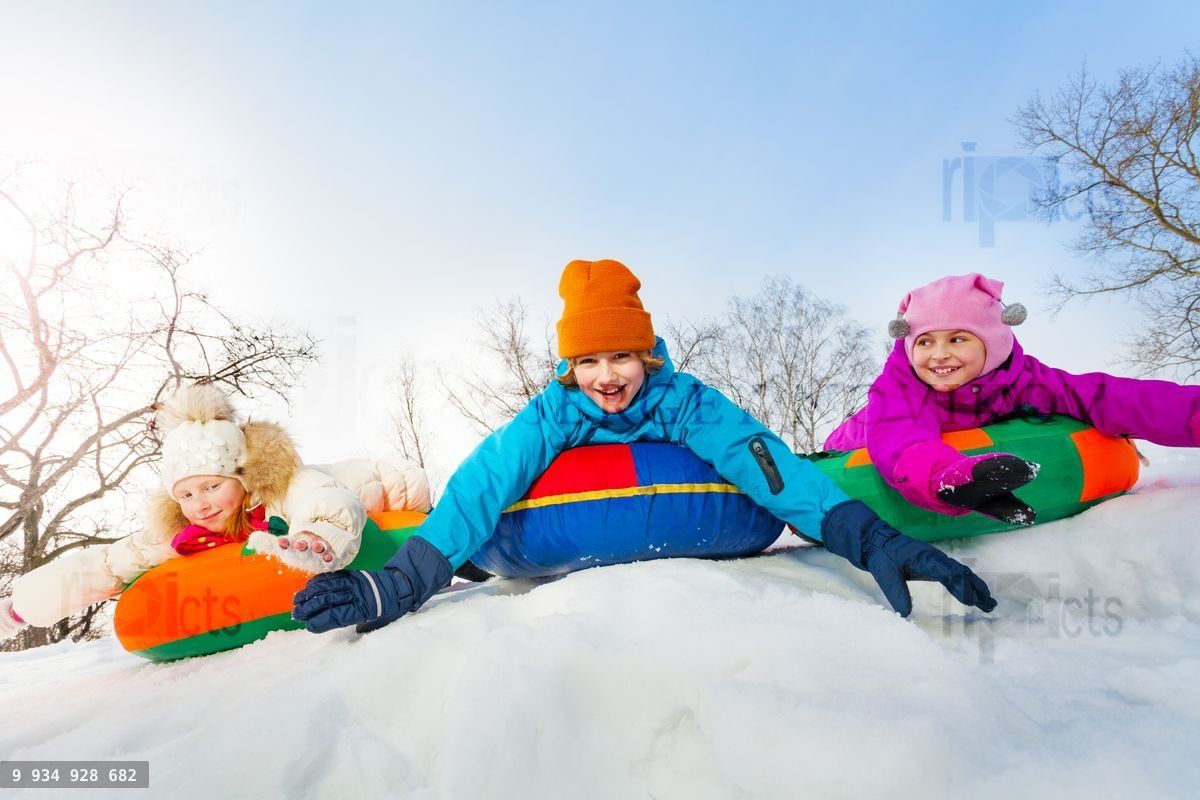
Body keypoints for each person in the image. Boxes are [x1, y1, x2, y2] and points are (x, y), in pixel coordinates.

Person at [293, 259, 997, 634]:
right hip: (515, 534)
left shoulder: (683, 401)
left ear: (648, 355)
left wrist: (868, 538)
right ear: (569, 367)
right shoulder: (552, 415)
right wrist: (399, 584)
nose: (607, 378)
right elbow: (485, 482)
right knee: (490, 500)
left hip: (725, 499)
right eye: (589, 361)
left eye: (622, 357)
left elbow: (763, 463)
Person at [0, 383, 431, 641]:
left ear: (242, 481)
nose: (200, 504)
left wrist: (317, 538)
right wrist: (18, 610)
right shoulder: (180, 527)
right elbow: (107, 563)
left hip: (390, 491)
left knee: (386, 495)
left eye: (211, 486)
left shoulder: (282, 487)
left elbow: (329, 502)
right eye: (185, 494)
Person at [823, 273, 1200, 525]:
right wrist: (945, 478)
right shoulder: (901, 386)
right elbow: (900, 435)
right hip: (853, 442)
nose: (937, 355)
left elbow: (1109, 397)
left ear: (994, 340)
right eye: (925, 342)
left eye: (957, 339)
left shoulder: (1024, 379)